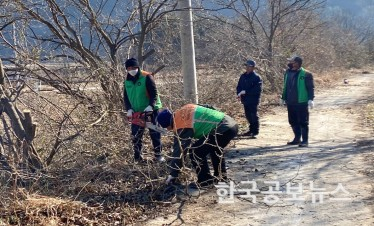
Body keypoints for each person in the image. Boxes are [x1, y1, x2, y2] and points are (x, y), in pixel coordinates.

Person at [156, 104, 238, 187]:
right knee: (215, 149)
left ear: (168, 124)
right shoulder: (186, 107)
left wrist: (173, 174)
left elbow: (180, 151)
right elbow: (210, 107)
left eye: (167, 128)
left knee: (195, 152)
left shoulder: (180, 124)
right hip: (230, 122)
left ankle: (205, 180)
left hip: (223, 129)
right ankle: (221, 177)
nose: (168, 130)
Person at [123, 58, 165, 162]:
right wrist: (129, 109)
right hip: (137, 112)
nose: (131, 70)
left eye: (133, 67)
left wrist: (151, 105)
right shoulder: (127, 81)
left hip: (150, 110)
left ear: (137, 67)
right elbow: (126, 97)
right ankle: (137, 157)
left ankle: (158, 155)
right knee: (136, 135)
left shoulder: (147, 77)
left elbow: (154, 93)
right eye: (128, 68)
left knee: (155, 133)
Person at [281, 55, 315, 147]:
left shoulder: (306, 74)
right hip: (290, 101)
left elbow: (310, 88)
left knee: (303, 122)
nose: (290, 63)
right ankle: (297, 139)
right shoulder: (287, 73)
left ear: (297, 63)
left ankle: (305, 141)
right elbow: (285, 86)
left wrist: (310, 99)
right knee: (292, 121)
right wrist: (283, 97)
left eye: (292, 62)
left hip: (301, 102)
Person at [236, 59, 263, 138]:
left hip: (253, 100)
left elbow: (257, 89)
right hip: (245, 100)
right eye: (246, 66)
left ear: (253, 68)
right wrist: (239, 93)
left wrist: (246, 92)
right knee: (248, 115)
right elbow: (239, 86)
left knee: (253, 115)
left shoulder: (257, 77)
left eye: (249, 66)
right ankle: (250, 130)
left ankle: (255, 131)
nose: (247, 67)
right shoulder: (243, 76)